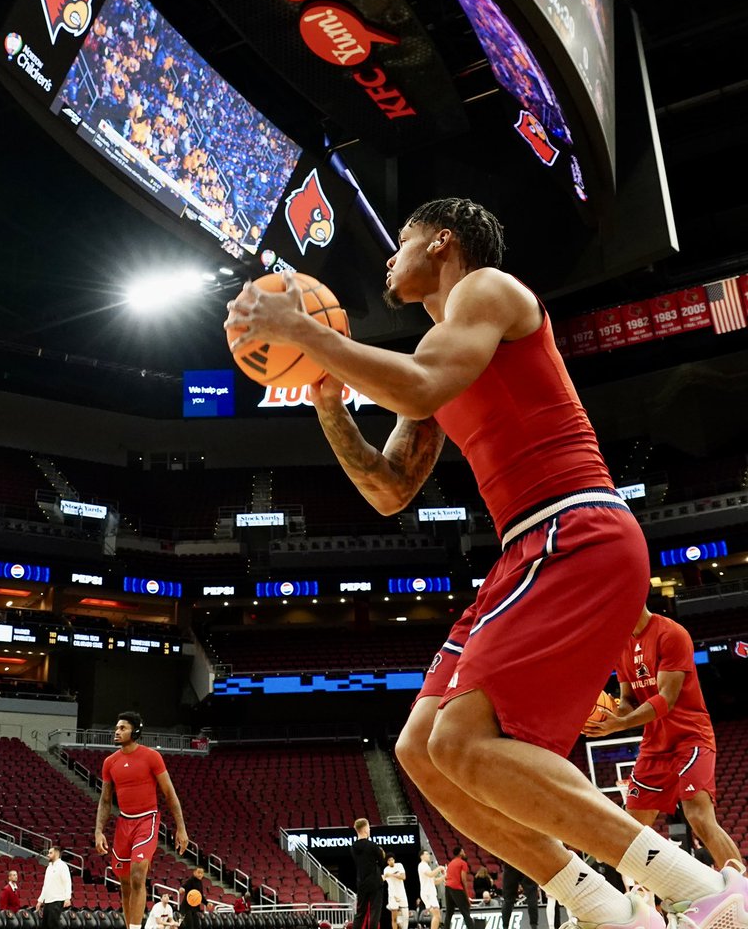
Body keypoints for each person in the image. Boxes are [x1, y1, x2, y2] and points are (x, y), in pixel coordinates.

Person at [225, 196, 748, 929]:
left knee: (462, 741)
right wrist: (330, 406)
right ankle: (607, 910)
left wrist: (303, 330)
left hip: (574, 527)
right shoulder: (442, 346)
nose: (389, 259)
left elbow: (418, 383)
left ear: (443, 242)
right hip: (526, 547)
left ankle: (704, 890)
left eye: (401, 241)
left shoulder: (487, 290)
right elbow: (389, 489)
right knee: (421, 750)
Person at [585, 606, 743, 870]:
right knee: (631, 828)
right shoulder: (621, 645)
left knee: (699, 817)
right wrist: (608, 715)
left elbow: (666, 699)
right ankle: (652, 892)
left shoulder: (670, 634)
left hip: (690, 737)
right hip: (655, 744)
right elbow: (628, 699)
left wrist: (620, 724)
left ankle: (743, 886)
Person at [95, 712, 189, 929]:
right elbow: (105, 800)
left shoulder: (152, 757)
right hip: (124, 822)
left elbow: (170, 794)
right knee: (125, 883)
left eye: (123, 728)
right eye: (116, 728)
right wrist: (99, 831)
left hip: (147, 820)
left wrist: (181, 828)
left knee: (138, 875)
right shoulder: (110, 762)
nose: (117, 732)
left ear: (135, 731)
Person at [350, 818, 386, 929]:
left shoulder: (353, 847)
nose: (369, 830)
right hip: (375, 881)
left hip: (361, 882)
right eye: (369, 828)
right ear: (365, 829)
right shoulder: (372, 845)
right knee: (375, 911)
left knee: (360, 912)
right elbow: (382, 861)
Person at [445, 846, 481, 929]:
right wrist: (466, 895)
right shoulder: (462, 863)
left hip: (448, 887)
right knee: (465, 912)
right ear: (460, 853)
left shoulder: (450, 863)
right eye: (463, 851)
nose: (464, 853)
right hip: (457, 888)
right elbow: (463, 879)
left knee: (449, 912)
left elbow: (447, 876)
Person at [36, 844, 71, 929]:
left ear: (57, 853)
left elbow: (67, 882)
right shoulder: (49, 867)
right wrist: (40, 900)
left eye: (50, 853)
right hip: (48, 901)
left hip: (57, 899)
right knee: (45, 925)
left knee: (53, 924)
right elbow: (45, 885)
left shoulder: (62, 866)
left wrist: (67, 897)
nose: (48, 855)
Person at [500, 862, 539, 929]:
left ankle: (505, 927)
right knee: (532, 895)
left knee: (508, 900)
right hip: (526, 863)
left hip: (511, 862)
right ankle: (534, 926)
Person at [418, 849, 445, 929]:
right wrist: (439, 868)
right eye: (427, 854)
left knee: (437, 916)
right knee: (436, 915)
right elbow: (430, 874)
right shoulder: (422, 865)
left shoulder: (427, 866)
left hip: (431, 893)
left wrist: (444, 877)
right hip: (427, 893)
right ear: (422, 856)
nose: (429, 856)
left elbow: (435, 881)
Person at [385, 854, 410, 929]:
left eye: (392, 859)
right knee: (394, 918)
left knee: (405, 917)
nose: (391, 861)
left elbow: (403, 877)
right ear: (387, 862)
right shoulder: (386, 869)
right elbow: (385, 878)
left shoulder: (399, 865)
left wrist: (392, 875)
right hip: (393, 895)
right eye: (389, 860)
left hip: (402, 894)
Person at [179, 865, 207, 929]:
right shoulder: (190, 880)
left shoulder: (200, 882)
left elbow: (200, 896)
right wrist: (182, 889)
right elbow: (183, 886)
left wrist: (207, 903)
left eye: (202, 873)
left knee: (197, 926)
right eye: (198, 872)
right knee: (190, 926)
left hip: (195, 908)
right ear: (194, 872)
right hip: (187, 908)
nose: (200, 874)